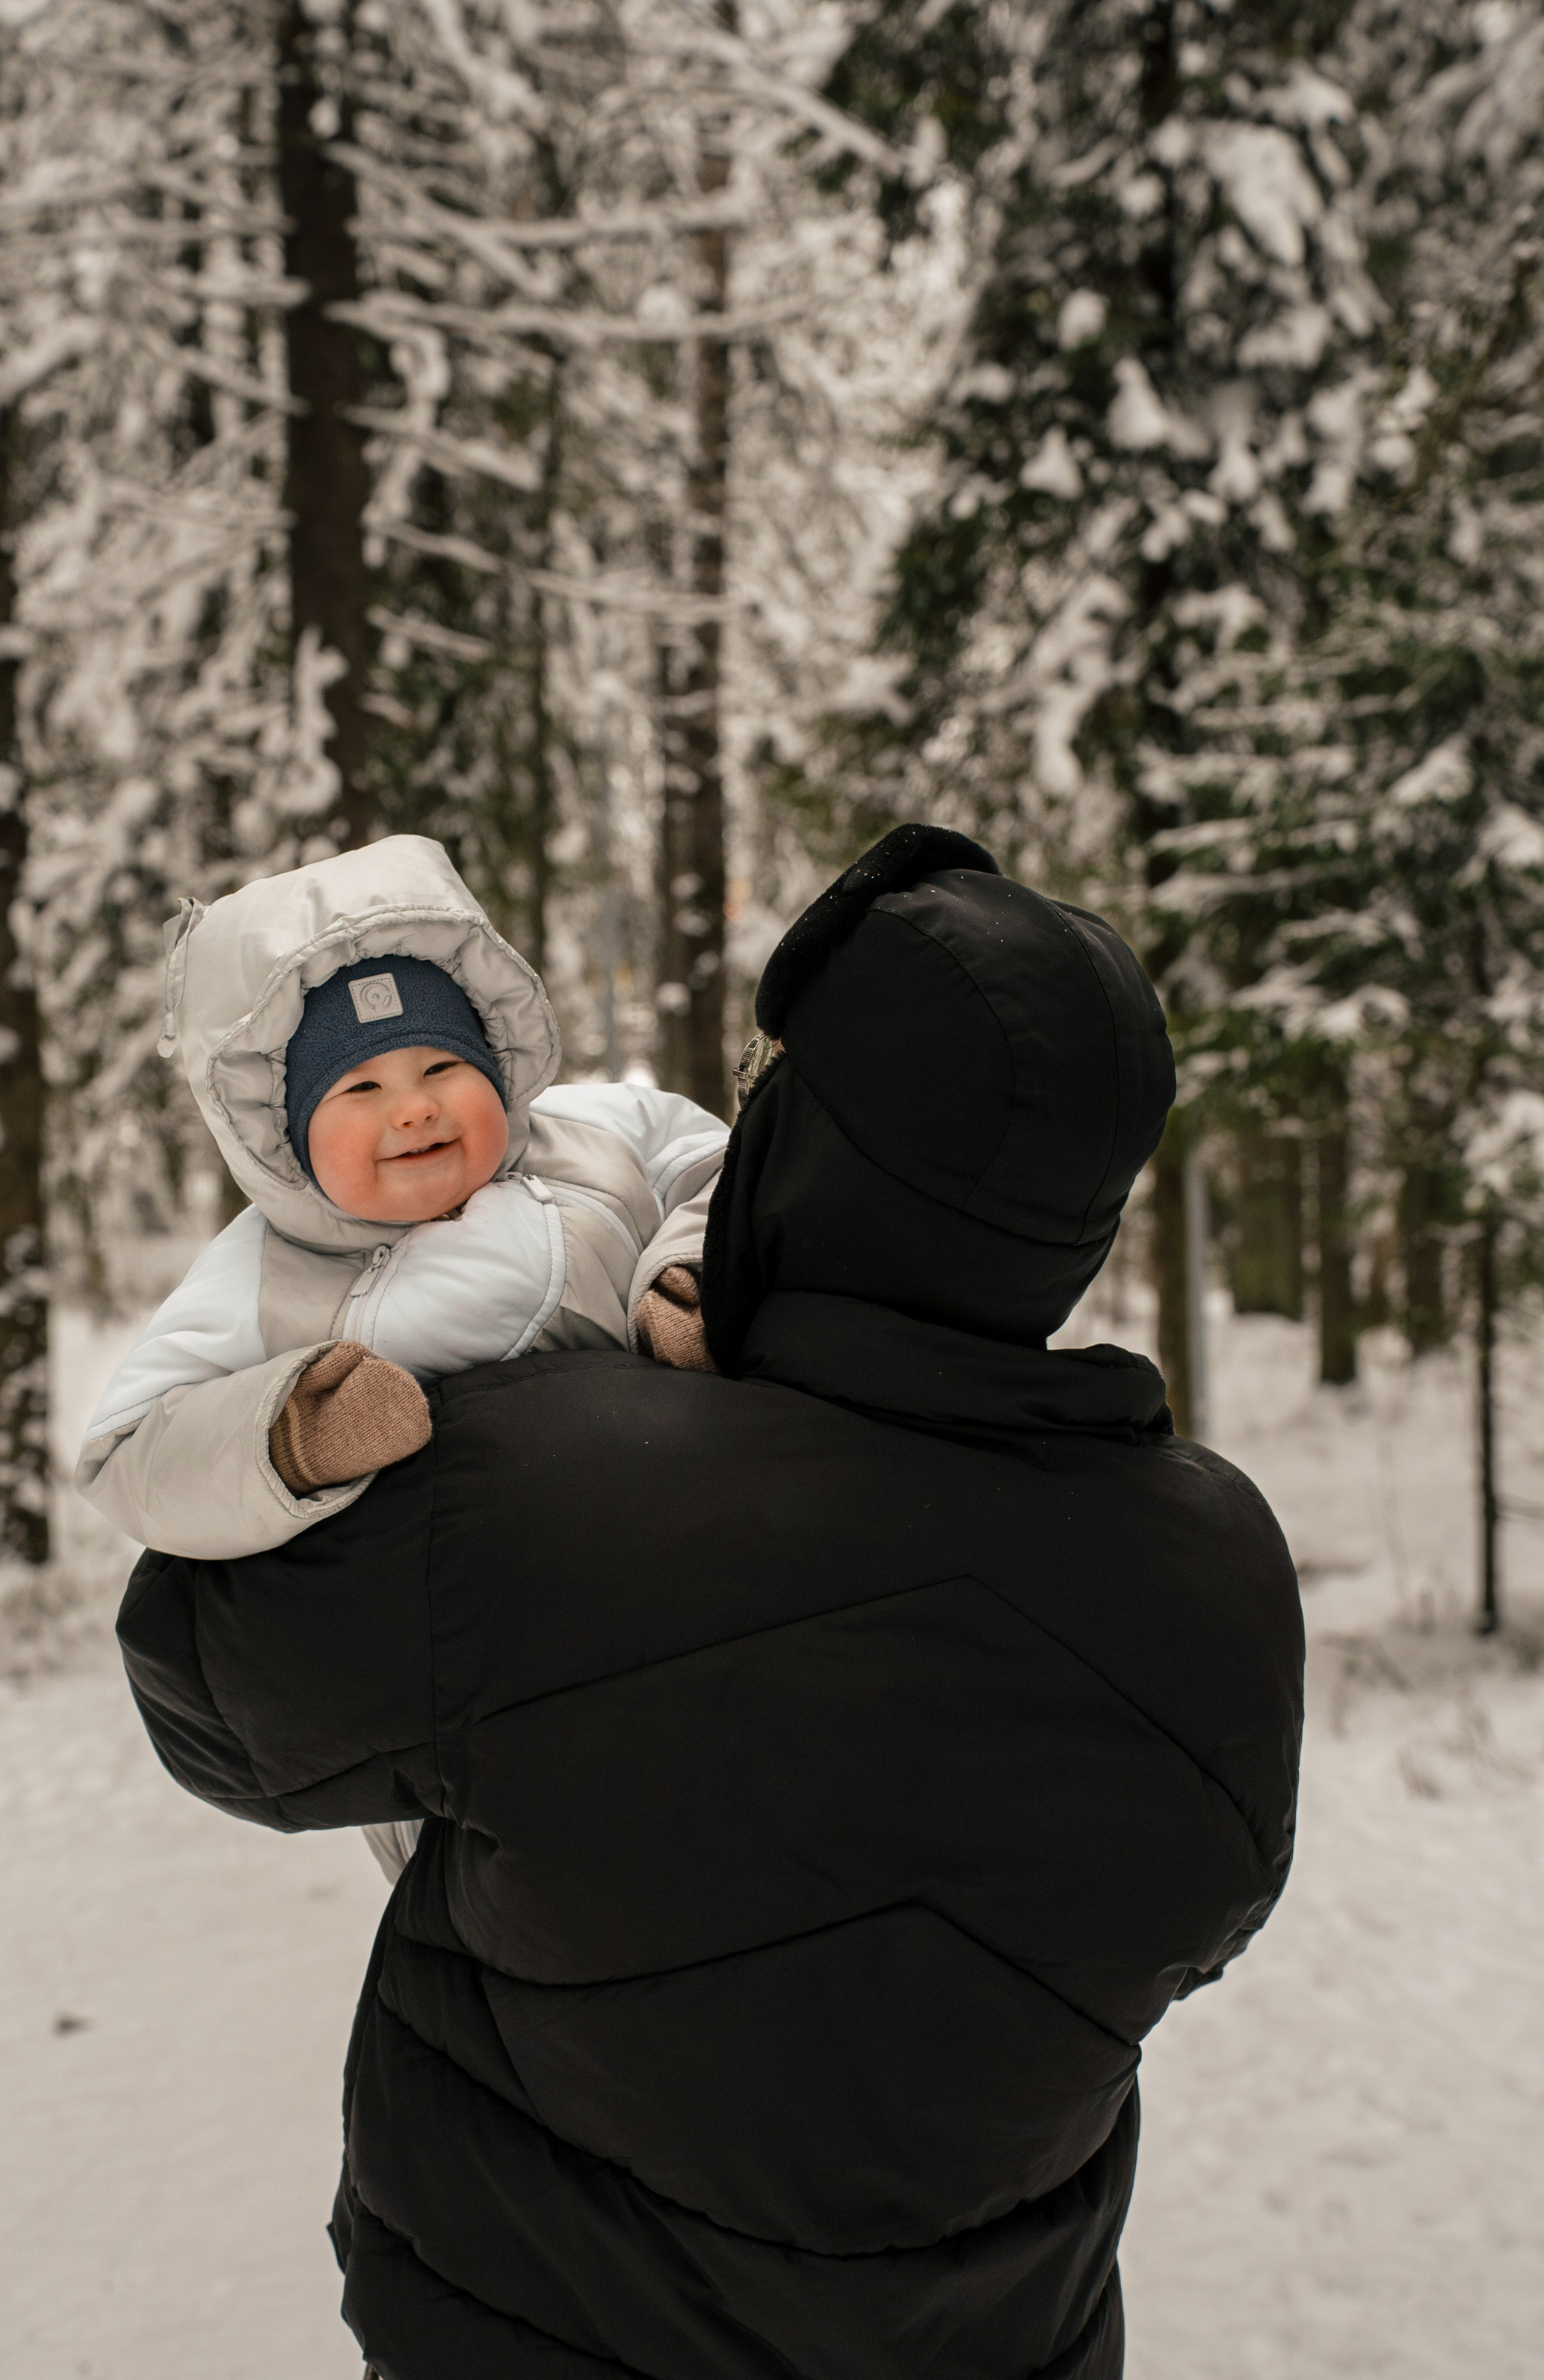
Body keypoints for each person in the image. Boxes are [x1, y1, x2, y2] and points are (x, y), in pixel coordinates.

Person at [119, 822, 1305, 2380]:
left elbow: (203, 1695)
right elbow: (1192, 1921)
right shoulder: (1214, 1576)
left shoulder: (535, 1489)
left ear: (806, 1146)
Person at [78, 830, 726, 1565]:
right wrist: (292, 1434)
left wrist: (693, 1276)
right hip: (483, 1589)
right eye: (361, 1087)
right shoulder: (262, 1273)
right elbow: (129, 1454)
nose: (414, 1109)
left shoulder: (595, 1131)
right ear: (286, 1135)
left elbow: (719, 1166)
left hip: (688, 1512)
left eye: (444, 1065)